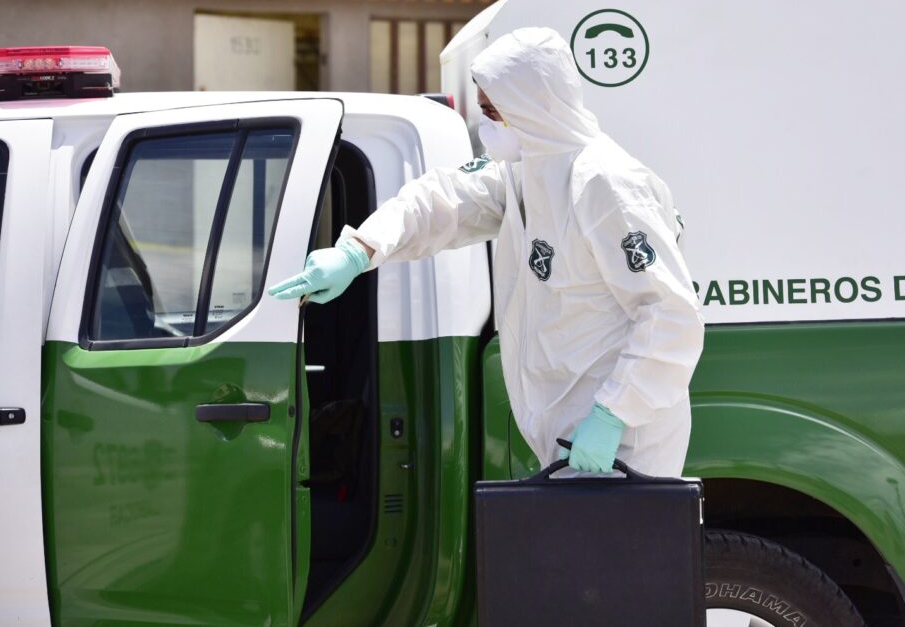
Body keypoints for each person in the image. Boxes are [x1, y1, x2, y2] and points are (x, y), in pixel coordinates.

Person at [269, 27, 704, 476]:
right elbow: (442, 200)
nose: (487, 125)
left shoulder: (604, 183)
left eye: (495, 112)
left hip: (623, 441)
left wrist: (615, 414)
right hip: (572, 431)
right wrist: (360, 249)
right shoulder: (524, 171)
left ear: (533, 107)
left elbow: (670, 315)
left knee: (621, 547)